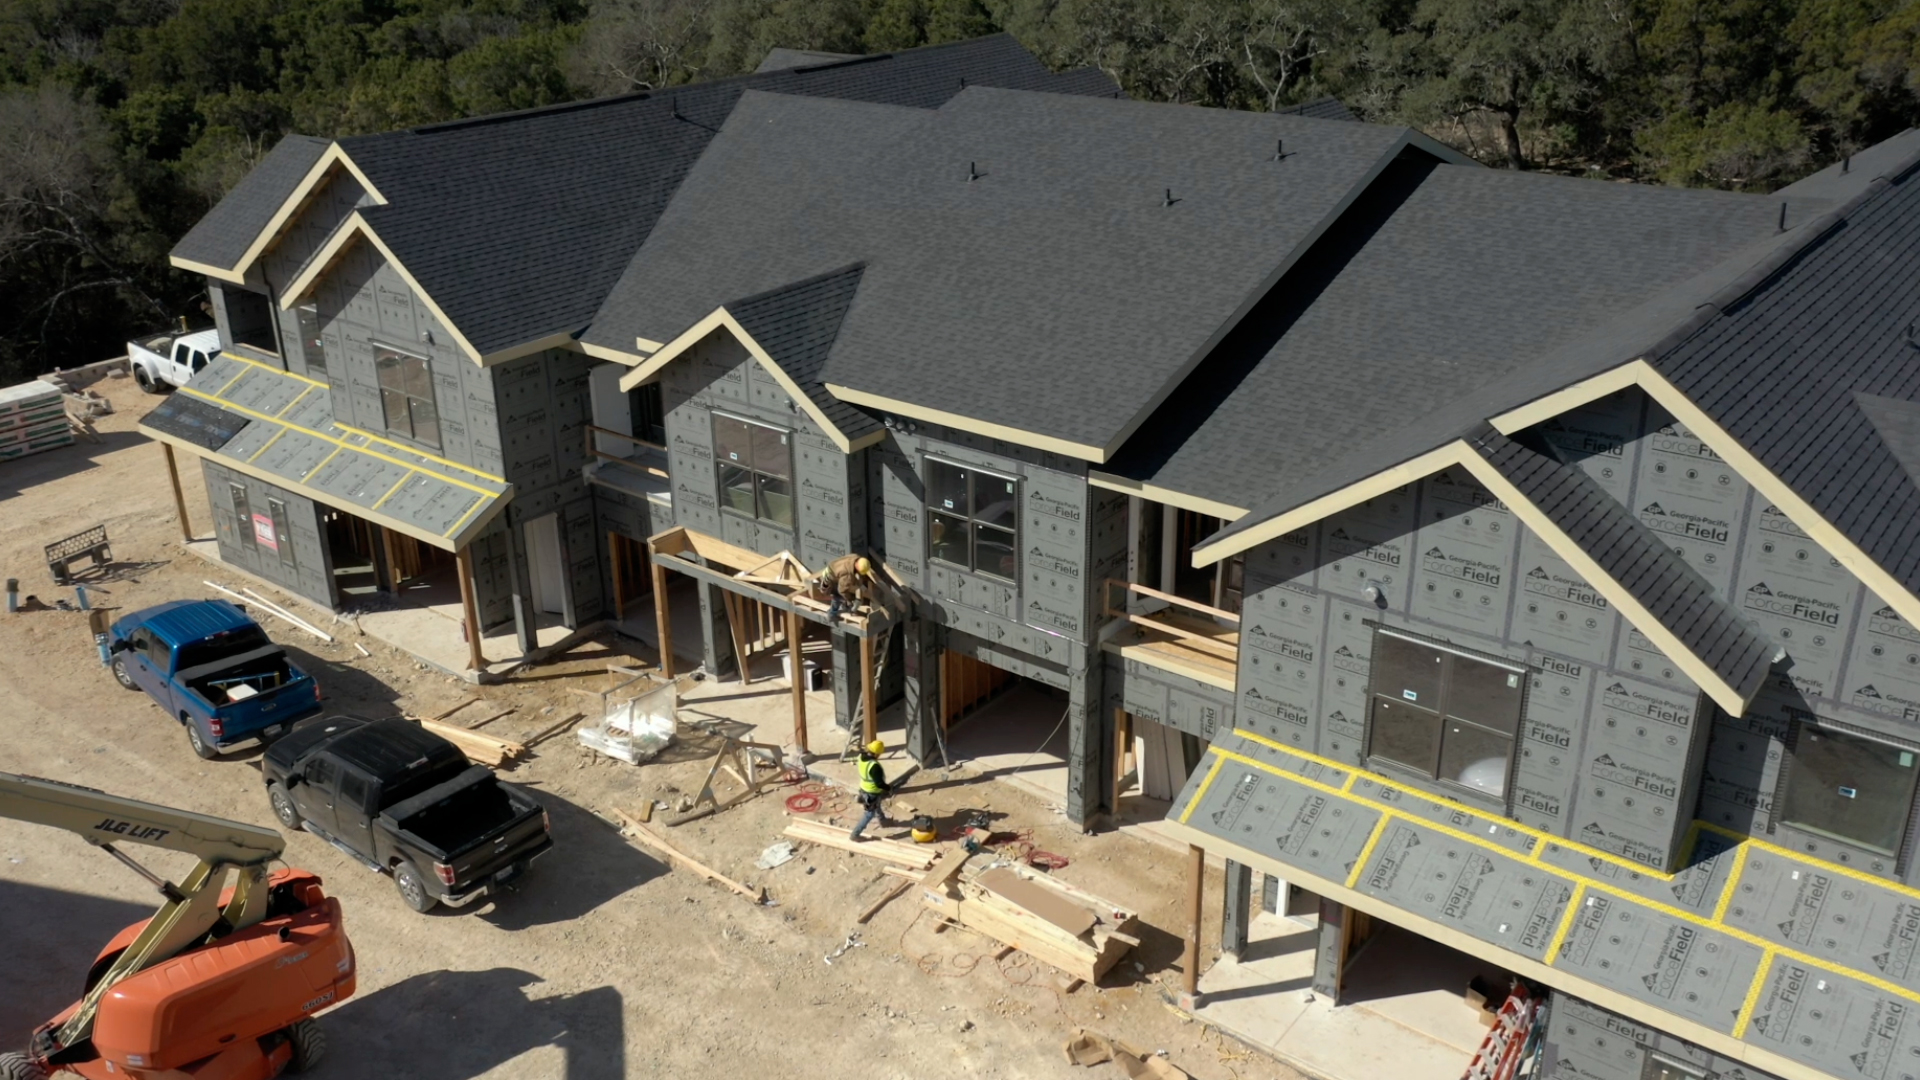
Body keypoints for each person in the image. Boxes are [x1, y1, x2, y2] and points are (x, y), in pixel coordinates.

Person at [850, 739, 891, 841]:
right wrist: (889, 788)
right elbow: (879, 783)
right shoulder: (874, 766)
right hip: (872, 792)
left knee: (876, 804)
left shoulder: (861, 757)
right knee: (869, 814)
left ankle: (883, 821)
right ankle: (855, 834)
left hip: (863, 788)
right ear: (877, 754)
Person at [819, 554, 874, 619]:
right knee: (838, 595)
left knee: (847, 589)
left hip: (833, 569)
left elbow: (855, 576)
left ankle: (845, 605)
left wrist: (861, 586)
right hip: (829, 580)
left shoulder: (855, 557)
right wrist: (849, 601)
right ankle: (832, 613)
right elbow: (841, 590)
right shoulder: (848, 576)